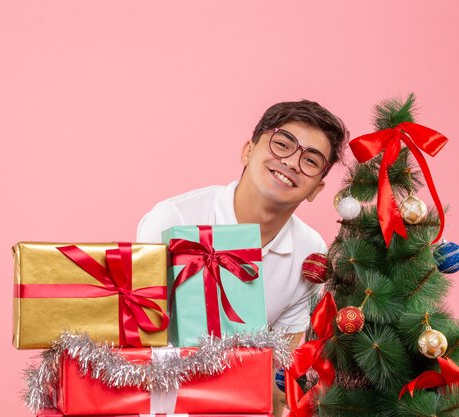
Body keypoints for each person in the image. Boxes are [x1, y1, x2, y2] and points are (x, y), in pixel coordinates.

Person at [136, 99, 348, 416]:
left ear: (317, 188)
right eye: (282, 145)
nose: (291, 162)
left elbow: (281, 371)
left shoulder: (310, 252)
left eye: (311, 161)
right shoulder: (173, 219)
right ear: (248, 151)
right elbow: (138, 341)